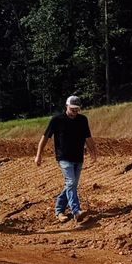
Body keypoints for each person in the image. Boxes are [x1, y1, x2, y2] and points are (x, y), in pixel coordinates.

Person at [35, 94, 92, 223]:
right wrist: (39, 155)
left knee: (70, 186)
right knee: (71, 183)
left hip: (78, 158)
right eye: (72, 109)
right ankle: (76, 211)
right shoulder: (57, 120)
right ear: (66, 106)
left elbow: (88, 138)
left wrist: (93, 152)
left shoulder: (83, 120)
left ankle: (59, 210)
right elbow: (45, 138)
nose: (75, 112)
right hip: (64, 158)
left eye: (77, 109)